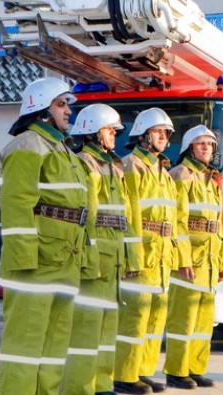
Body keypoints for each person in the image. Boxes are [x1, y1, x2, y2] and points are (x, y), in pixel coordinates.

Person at [0, 77, 95, 394]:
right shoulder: (27, 145)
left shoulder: (65, 152)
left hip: (65, 260)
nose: (69, 111)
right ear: (41, 110)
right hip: (35, 264)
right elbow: (16, 206)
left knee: (54, 346)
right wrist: (25, 261)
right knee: (25, 346)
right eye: (61, 104)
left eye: (69, 104)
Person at [61, 104, 136, 395]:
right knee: (86, 326)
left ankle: (102, 384)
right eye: (109, 131)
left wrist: (128, 255)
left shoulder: (112, 165)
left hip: (113, 254)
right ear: (93, 132)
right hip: (96, 254)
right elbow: (87, 214)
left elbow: (126, 215)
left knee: (107, 325)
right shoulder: (84, 163)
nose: (115, 136)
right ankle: (79, 388)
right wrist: (88, 256)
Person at [114, 108, 184, 394]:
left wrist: (178, 256)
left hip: (163, 254)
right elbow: (129, 213)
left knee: (156, 318)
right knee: (135, 316)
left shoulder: (164, 173)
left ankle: (143, 371)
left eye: (167, 134)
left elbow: (175, 219)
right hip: (142, 250)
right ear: (142, 135)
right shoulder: (131, 165)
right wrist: (131, 254)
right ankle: (124, 375)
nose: (164, 138)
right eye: (158, 132)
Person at [163, 125, 223, 389]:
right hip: (190, 259)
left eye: (210, 145)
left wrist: (222, 261)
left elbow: (219, 225)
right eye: (201, 144)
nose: (206, 149)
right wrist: (183, 258)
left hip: (209, 259)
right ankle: (176, 371)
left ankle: (195, 368)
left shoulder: (211, 180)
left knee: (203, 320)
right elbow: (177, 220)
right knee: (183, 317)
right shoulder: (181, 174)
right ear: (189, 147)